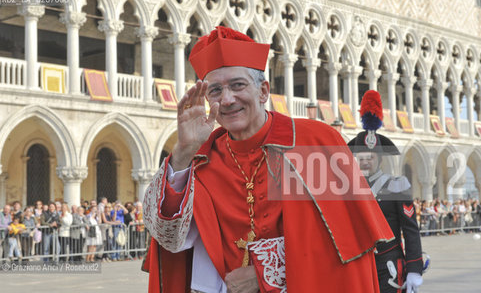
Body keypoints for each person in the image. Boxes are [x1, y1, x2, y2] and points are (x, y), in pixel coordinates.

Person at [142, 26, 393, 292]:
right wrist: (182, 153)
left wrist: (266, 272)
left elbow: (343, 243)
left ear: (263, 91)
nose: (227, 99)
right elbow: (166, 236)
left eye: (238, 85)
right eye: (215, 91)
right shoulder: (201, 158)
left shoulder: (312, 144)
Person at [348, 90, 423, 293]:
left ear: (379, 159)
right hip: (359, 266)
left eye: (370, 157)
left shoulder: (396, 186)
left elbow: (410, 230)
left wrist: (414, 267)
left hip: (388, 266)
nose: (365, 161)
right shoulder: (349, 189)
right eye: (361, 157)